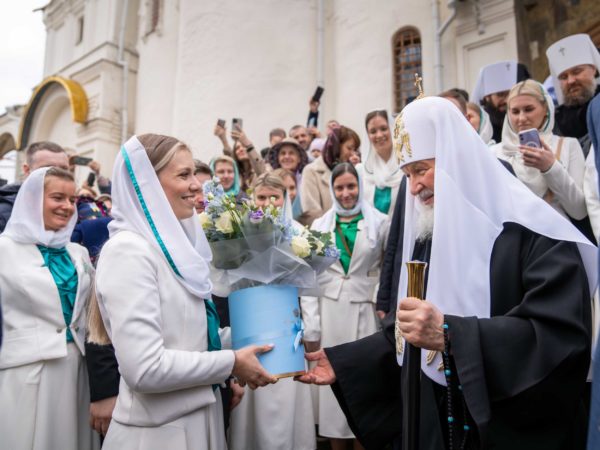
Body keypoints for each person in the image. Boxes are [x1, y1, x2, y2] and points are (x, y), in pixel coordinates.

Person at [296, 96, 597, 450]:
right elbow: (410, 330)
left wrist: (453, 335)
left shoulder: (535, 235)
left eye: (421, 169)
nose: (413, 187)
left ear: (459, 161)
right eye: (407, 174)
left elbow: (559, 337)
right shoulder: (430, 236)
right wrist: (345, 362)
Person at [89, 134, 276, 449]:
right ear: (147, 184)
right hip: (158, 434)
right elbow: (144, 369)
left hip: (198, 418)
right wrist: (231, 362)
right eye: (184, 175)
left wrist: (261, 335)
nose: (197, 185)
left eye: (194, 174)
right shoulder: (129, 251)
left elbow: (191, 339)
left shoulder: (176, 249)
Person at [0, 167, 99, 450]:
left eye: (72, 200)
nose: (67, 206)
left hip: (77, 371)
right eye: (57, 197)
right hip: (25, 371)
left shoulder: (78, 252)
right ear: (32, 200)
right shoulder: (4, 249)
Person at [301, 162, 389, 450]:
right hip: (330, 313)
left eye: (351, 186)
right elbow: (310, 278)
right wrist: (312, 329)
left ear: (360, 186)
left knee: (364, 386)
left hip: (365, 311)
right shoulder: (320, 225)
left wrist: (380, 299)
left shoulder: (380, 222)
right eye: (339, 187)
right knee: (333, 391)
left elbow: (386, 267)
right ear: (332, 189)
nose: (346, 193)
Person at [228, 173, 315, 450]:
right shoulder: (237, 236)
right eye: (261, 197)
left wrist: (311, 330)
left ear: (285, 198)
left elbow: (309, 287)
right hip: (252, 330)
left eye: (274, 197)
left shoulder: (298, 234)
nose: (267, 203)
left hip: (286, 331)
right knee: (254, 407)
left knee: (286, 401)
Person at [492, 80, 587, 221]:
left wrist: (550, 167)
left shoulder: (568, 145)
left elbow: (579, 211)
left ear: (546, 110)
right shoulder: (494, 153)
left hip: (557, 232)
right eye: (515, 111)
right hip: (514, 233)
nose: (521, 118)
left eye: (529, 109)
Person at [546, 33, 600, 157]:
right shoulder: (554, 120)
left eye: (577, 72)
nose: (570, 81)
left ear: (593, 69)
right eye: (563, 77)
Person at [0, 141, 69, 232]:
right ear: (27, 170)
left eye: (64, 169)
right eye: (48, 169)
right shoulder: (4, 213)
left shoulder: (72, 210)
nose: (59, 175)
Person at [301, 126, 361, 225]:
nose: (352, 154)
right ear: (336, 146)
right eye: (349, 148)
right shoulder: (311, 171)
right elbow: (312, 212)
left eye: (354, 150)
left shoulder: (351, 170)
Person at [357, 110, 404, 216]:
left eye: (383, 129)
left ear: (392, 129)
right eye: (373, 131)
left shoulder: (405, 168)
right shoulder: (361, 171)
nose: (379, 135)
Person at [472, 60, 531, 143]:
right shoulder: (482, 128)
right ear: (487, 97)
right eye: (501, 94)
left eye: (511, 93)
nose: (507, 100)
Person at [268, 137, 309, 221]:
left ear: (299, 158)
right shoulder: (269, 179)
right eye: (283, 153)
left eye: (291, 153)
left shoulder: (307, 180)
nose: (286, 156)